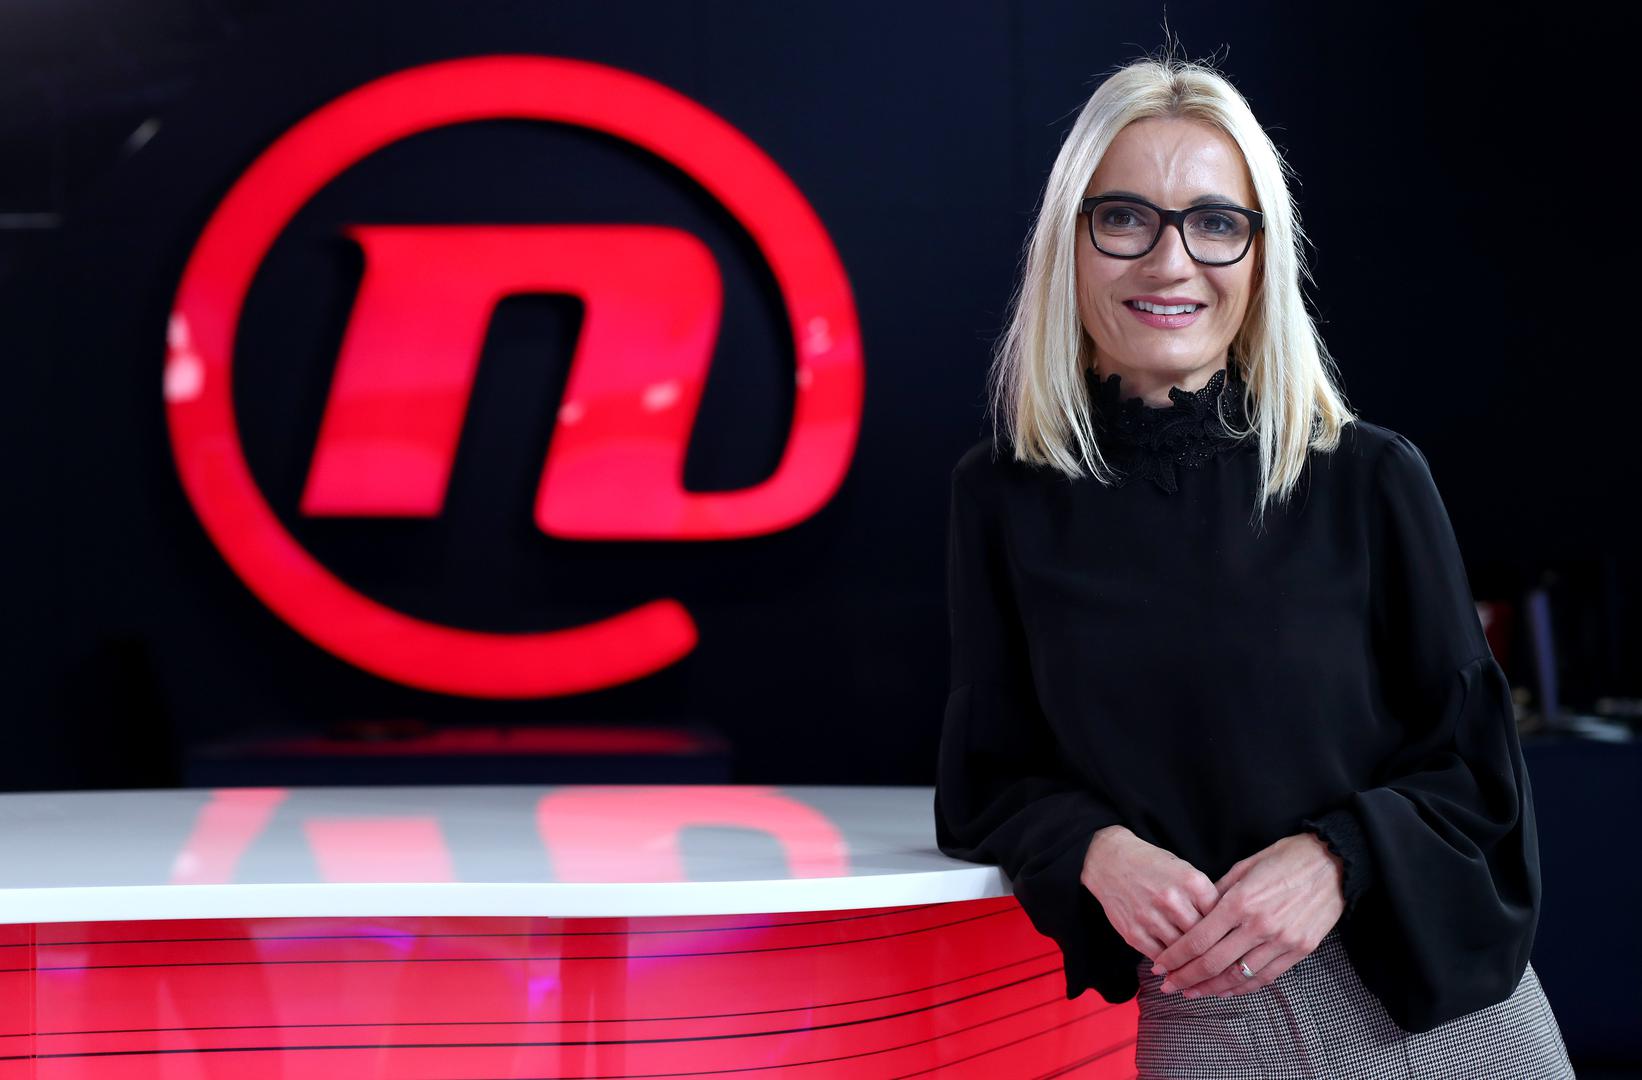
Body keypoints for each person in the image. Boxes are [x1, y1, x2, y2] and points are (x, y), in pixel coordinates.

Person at [932, 50, 1576, 1078]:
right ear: (1069, 243)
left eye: (1216, 222)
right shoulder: (1001, 498)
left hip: (1436, 1018)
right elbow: (989, 778)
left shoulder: (1369, 477)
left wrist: (1338, 857)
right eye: (1125, 217)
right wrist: (1098, 849)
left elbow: (1479, 778)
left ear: (1260, 254)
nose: (1170, 261)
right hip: (1205, 1022)